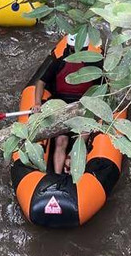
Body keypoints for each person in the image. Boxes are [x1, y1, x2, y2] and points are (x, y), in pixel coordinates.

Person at [32, 33, 103, 176]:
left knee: (78, 136)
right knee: (61, 140)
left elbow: (102, 89)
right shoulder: (59, 63)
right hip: (62, 105)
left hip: (84, 104)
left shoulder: (94, 65)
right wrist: (38, 103)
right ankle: (59, 173)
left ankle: (69, 160)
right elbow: (41, 82)